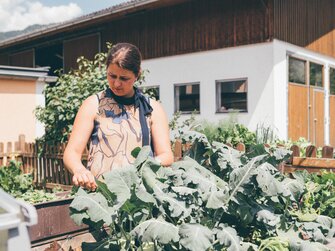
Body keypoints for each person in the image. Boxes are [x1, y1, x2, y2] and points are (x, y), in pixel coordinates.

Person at [63, 43, 173, 191]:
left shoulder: (153, 109)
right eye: (112, 76)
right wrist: (79, 170)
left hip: (139, 199)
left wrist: (144, 166)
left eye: (124, 78)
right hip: (99, 195)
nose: (116, 83)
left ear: (137, 75)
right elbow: (72, 153)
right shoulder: (93, 105)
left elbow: (166, 155)